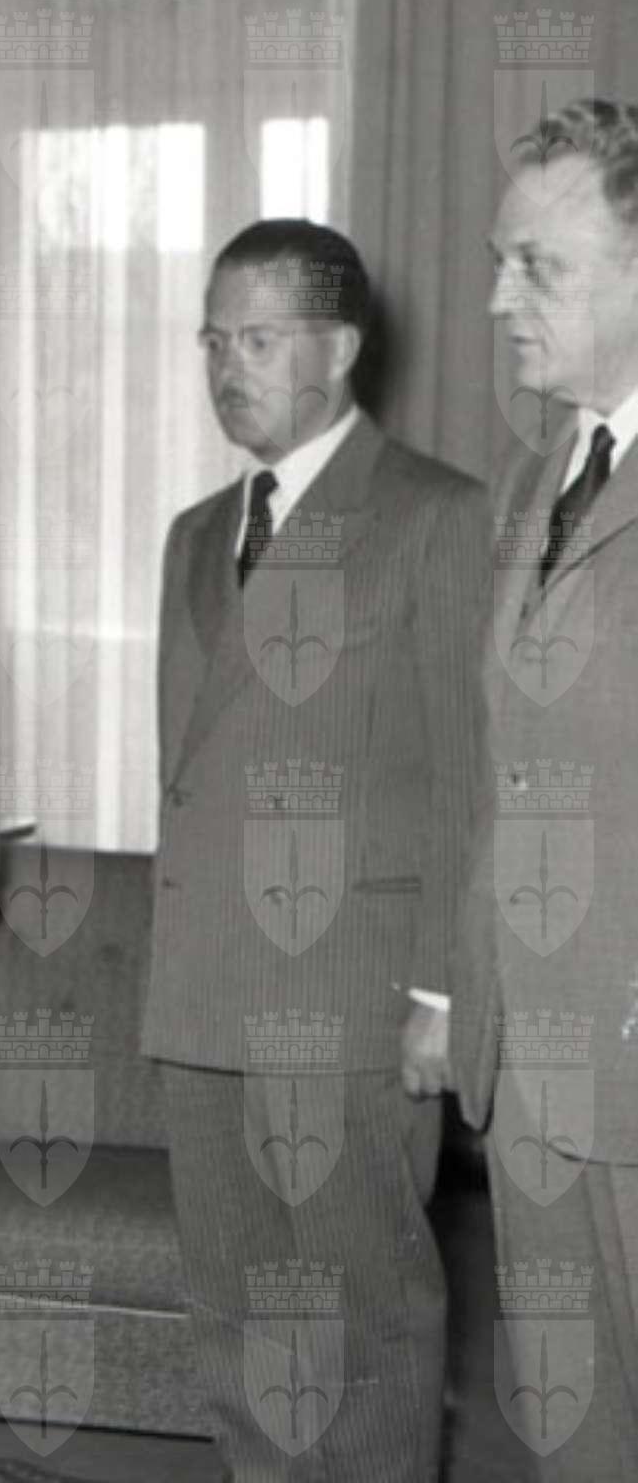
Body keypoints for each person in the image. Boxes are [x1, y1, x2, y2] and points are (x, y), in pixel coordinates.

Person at [147, 220, 487, 1477]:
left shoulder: (434, 515)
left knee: (365, 1315)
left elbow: (468, 771)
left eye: (258, 339)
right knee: (234, 1313)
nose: (225, 367)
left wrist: (443, 989)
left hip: (348, 993)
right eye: (212, 340)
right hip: (203, 988)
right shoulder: (197, 531)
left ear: (338, 349)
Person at [405, 100, 638, 1475]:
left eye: (535, 266)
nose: (497, 301)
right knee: (570, 1429)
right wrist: (456, 988)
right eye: (499, 262)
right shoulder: (539, 471)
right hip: (537, 1063)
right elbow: (497, 763)